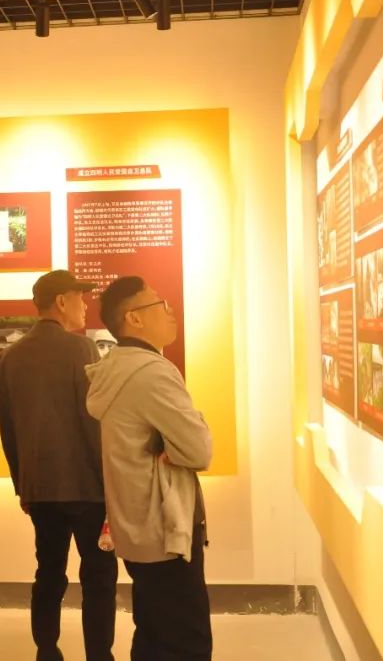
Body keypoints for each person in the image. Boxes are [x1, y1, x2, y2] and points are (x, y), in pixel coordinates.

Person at [86, 276, 213, 661]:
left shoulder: (115, 367)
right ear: (134, 318)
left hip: (137, 524)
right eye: (161, 304)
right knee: (186, 643)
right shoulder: (152, 372)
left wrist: (175, 441)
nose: (171, 312)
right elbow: (199, 450)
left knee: (154, 634)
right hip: (165, 526)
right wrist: (188, 433)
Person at [0, 269, 117, 661]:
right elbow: (93, 421)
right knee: (98, 575)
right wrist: (110, 482)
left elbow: (9, 429)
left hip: (41, 488)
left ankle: (46, 650)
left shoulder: (10, 356)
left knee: (48, 572)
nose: (86, 305)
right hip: (87, 485)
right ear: (62, 302)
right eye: (80, 297)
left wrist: (22, 485)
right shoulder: (81, 350)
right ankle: (99, 654)